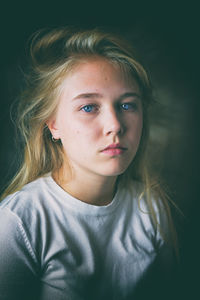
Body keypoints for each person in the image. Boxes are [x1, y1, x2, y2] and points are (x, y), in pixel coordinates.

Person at [0, 27, 178, 300]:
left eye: (128, 105)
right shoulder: (18, 223)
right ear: (53, 124)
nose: (115, 125)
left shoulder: (151, 207)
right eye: (88, 107)